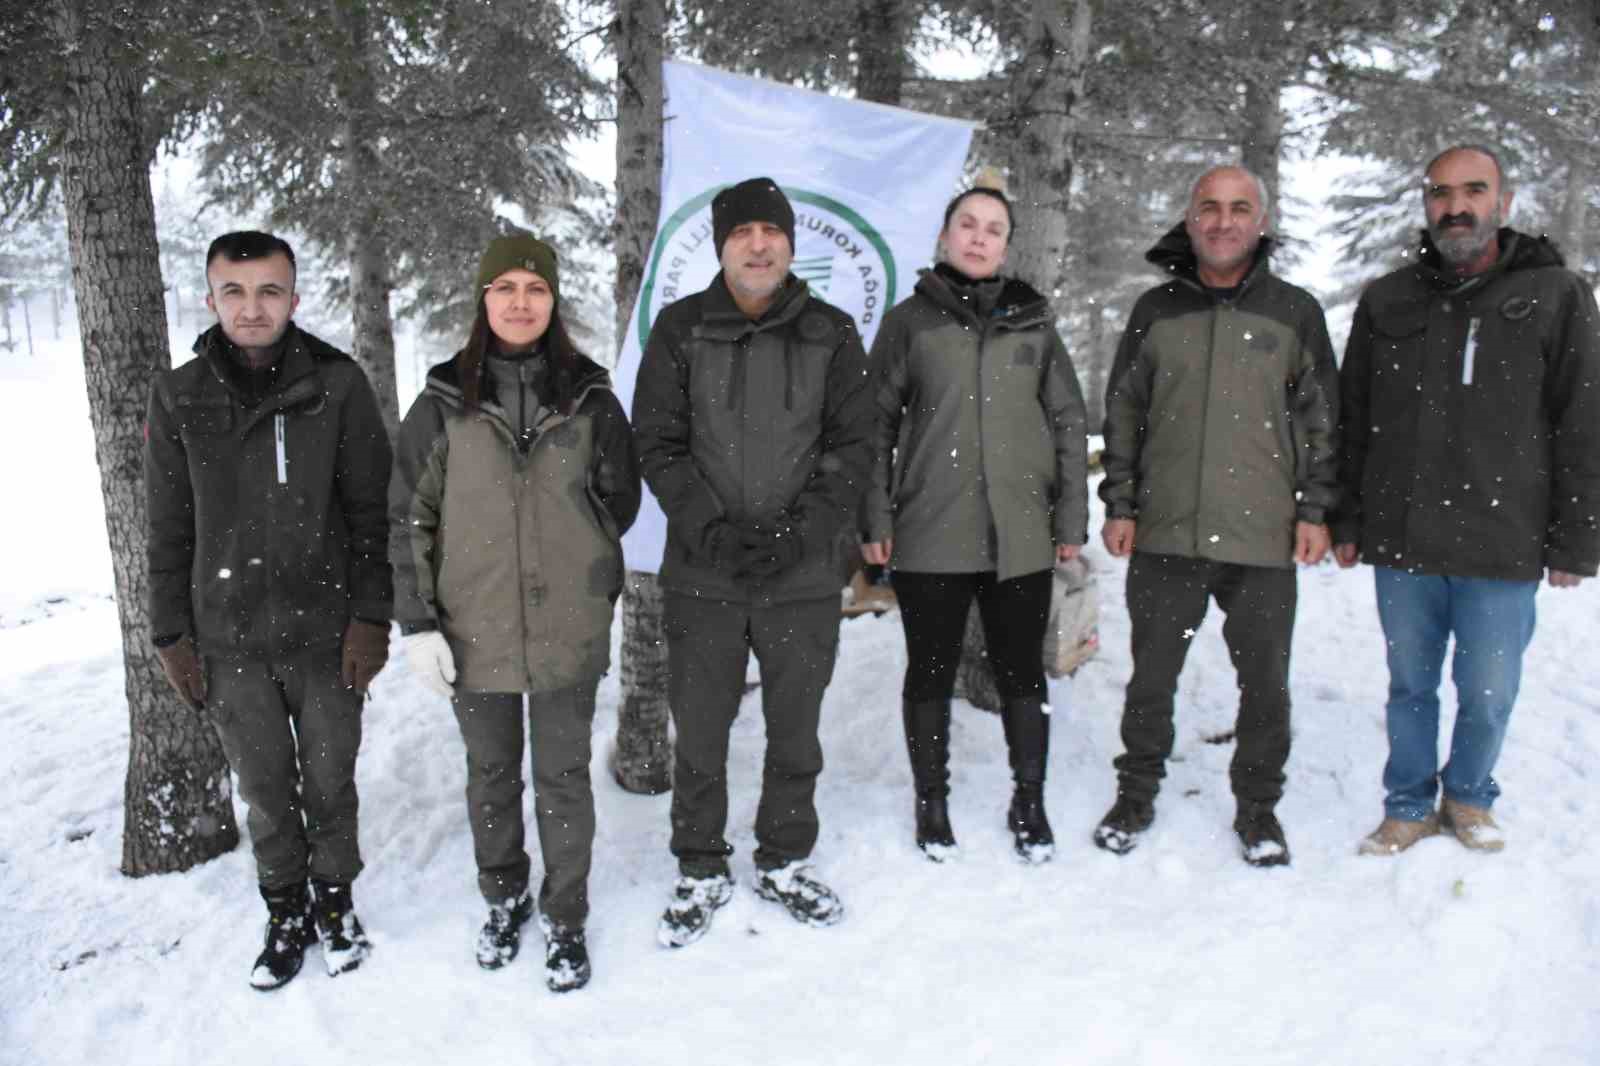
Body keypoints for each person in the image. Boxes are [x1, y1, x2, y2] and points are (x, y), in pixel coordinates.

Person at [389, 234, 639, 992]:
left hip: (568, 623)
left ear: (554, 301)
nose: (520, 302)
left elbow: (618, 501)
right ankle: (503, 899)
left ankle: (565, 915)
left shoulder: (591, 397)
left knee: (563, 776)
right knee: (491, 773)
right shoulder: (440, 403)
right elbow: (409, 516)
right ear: (483, 300)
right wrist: (420, 622)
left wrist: (582, 566)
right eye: (505, 288)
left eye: (535, 288)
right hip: (474, 628)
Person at [1336, 144, 1600, 857]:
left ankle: (1470, 797)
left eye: (1473, 191)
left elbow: (1583, 421)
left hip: (1502, 539)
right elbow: (1353, 418)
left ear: (1503, 202)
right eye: (1441, 193)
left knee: (1487, 692)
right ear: (1426, 205)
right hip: (1406, 537)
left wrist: (1576, 539)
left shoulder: (1556, 295)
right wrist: (1347, 519)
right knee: (1409, 688)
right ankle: (1409, 802)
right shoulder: (1388, 299)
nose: (1457, 206)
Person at [145, 230, 392, 990]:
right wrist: (171, 636)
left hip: (326, 635)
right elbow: (167, 526)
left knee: (329, 782)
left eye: (269, 291)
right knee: (264, 789)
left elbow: (369, 513)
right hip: (230, 639)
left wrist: (371, 618)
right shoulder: (180, 394)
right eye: (235, 292)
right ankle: (285, 911)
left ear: (294, 296)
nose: (252, 308)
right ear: (211, 297)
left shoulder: (338, 384)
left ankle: (336, 901)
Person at [632, 177, 874, 948]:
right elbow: (657, 442)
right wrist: (710, 528)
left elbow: (854, 446)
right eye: (743, 233)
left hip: (802, 576)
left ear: (791, 244)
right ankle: (700, 864)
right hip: (704, 574)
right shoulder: (679, 329)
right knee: (700, 731)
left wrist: (798, 535)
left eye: (772, 232)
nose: (759, 244)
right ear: (722, 244)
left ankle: (785, 857)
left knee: (794, 729)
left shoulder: (831, 332)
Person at [1093, 166, 1340, 867]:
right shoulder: (1156, 309)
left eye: (1239, 208)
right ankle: (1135, 793)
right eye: (1209, 207)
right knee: (1150, 678)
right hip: (1166, 531)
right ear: (1190, 217)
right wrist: (1121, 502)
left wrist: (1315, 509)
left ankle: (1258, 809)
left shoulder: (1294, 312)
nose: (1223, 221)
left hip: (1262, 537)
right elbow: (1123, 413)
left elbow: (1323, 420)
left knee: (1265, 682)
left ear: (1261, 220)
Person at [860, 185, 1088, 864]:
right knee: (929, 670)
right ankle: (932, 801)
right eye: (968, 224)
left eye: (993, 229)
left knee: (1023, 670)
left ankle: (1030, 798)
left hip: (1021, 531)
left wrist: (1070, 514)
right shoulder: (910, 324)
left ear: (1007, 245)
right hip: (931, 528)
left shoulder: (1035, 324)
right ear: (945, 236)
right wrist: (875, 515)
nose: (979, 237)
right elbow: (875, 428)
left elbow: (1070, 421)